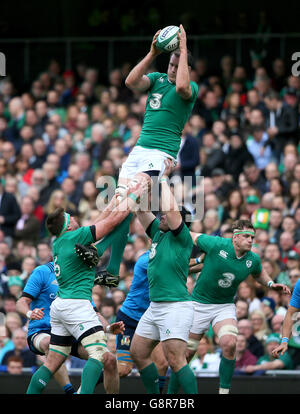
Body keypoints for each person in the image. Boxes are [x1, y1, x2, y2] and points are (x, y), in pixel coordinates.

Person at [93, 24, 199, 288]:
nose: (172, 70)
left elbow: (184, 85)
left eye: (177, 65)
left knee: (128, 201)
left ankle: (93, 246)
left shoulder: (190, 89)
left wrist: (183, 48)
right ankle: (112, 268)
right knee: (119, 203)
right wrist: (153, 53)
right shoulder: (157, 80)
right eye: (171, 65)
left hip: (160, 154)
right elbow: (130, 82)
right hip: (139, 150)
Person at [26, 173, 150, 394]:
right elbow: (110, 222)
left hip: (61, 307)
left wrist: (117, 198)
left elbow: (101, 221)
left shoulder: (60, 242)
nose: (74, 217)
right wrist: (136, 195)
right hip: (77, 304)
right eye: (70, 217)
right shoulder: (75, 237)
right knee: (100, 354)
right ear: (67, 226)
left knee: (53, 361)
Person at [169, 219, 290, 394]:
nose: (251, 240)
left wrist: (271, 284)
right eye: (247, 236)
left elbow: (259, 272)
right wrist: (164, 236)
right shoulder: (216, 244)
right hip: (198, 304)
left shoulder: (252, 259)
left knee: (229, 342)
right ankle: (171, 396)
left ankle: (224, 392)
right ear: (235, 237)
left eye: (253, 237)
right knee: (185, 355)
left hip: (223, 306)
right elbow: (188, 234)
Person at [129, 167, 198, 394]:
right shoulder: (160, 233)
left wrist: (162, 177)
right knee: (137, 352)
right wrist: (141, 183)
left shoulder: (182, 238)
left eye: (166, 215)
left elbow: (170, 208)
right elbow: (140, 209)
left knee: (176, 360)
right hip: (156, 305)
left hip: (175, 306)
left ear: (180, 221)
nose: (161, 216)